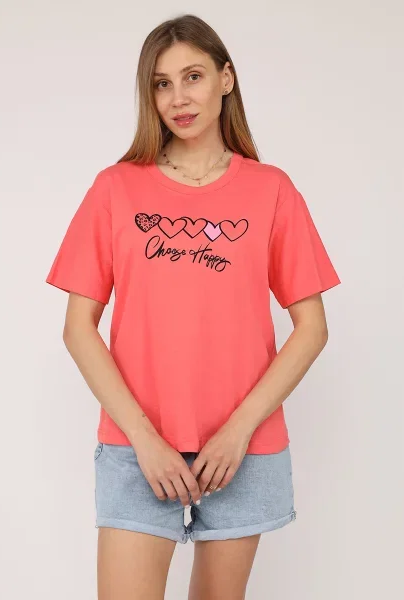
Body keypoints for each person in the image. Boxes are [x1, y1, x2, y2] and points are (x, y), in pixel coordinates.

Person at [45, 13, 341, 600]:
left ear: (226, 79)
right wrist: (144, 440)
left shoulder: (271, 190)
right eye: (161, 83)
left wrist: (237, 431)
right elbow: (79, 328)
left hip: (241, 450)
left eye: (193, 76)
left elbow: (311, 328)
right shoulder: (116, 188)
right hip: (137, 447)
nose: (178, 98)